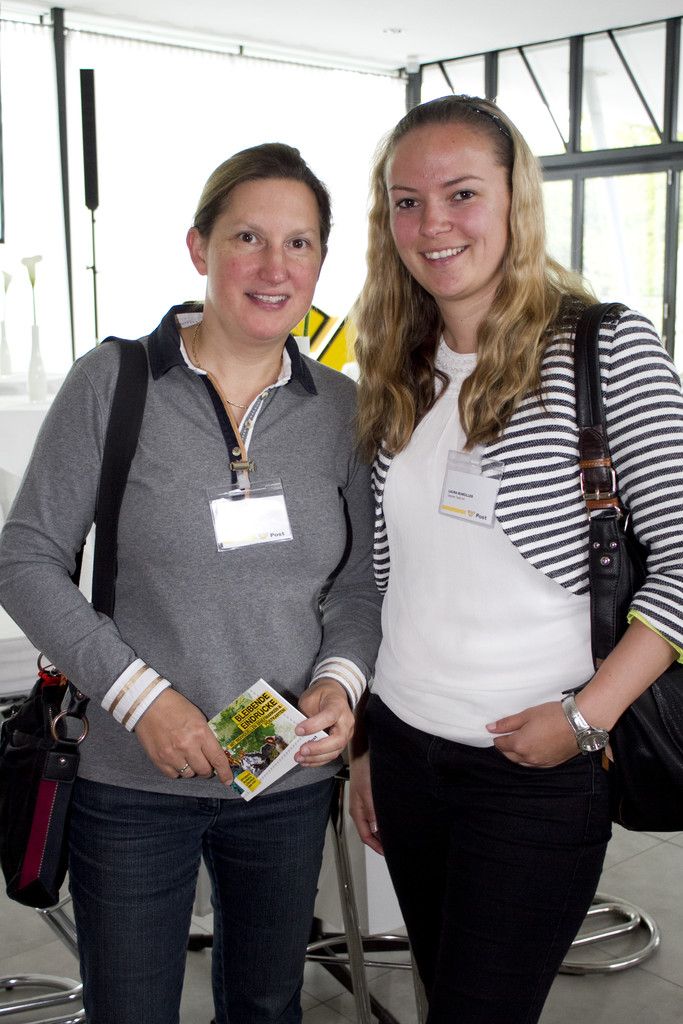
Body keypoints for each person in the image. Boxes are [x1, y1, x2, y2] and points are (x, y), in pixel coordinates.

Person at [0, 142, 381, 1024]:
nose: (273, 266)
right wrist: (142, 699)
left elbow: (361, 586)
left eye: (300, 243)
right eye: (247, 236)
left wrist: (340, 683)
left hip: (281, 782)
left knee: (264, 1003)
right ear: (198, 247)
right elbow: (24, 557)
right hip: (131, 785)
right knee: (130, 1010)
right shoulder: (116, 381)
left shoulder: (342, 409)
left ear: (323, 261)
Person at [348, 95, 683, 1024]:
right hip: (409, 752)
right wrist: (369, 746)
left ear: (514, 201)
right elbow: (389, 583)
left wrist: (585, 719)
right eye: (405, 202)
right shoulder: (398, 366)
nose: (432, 223)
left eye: (461, 193)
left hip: (536, 768)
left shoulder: (603, 348)